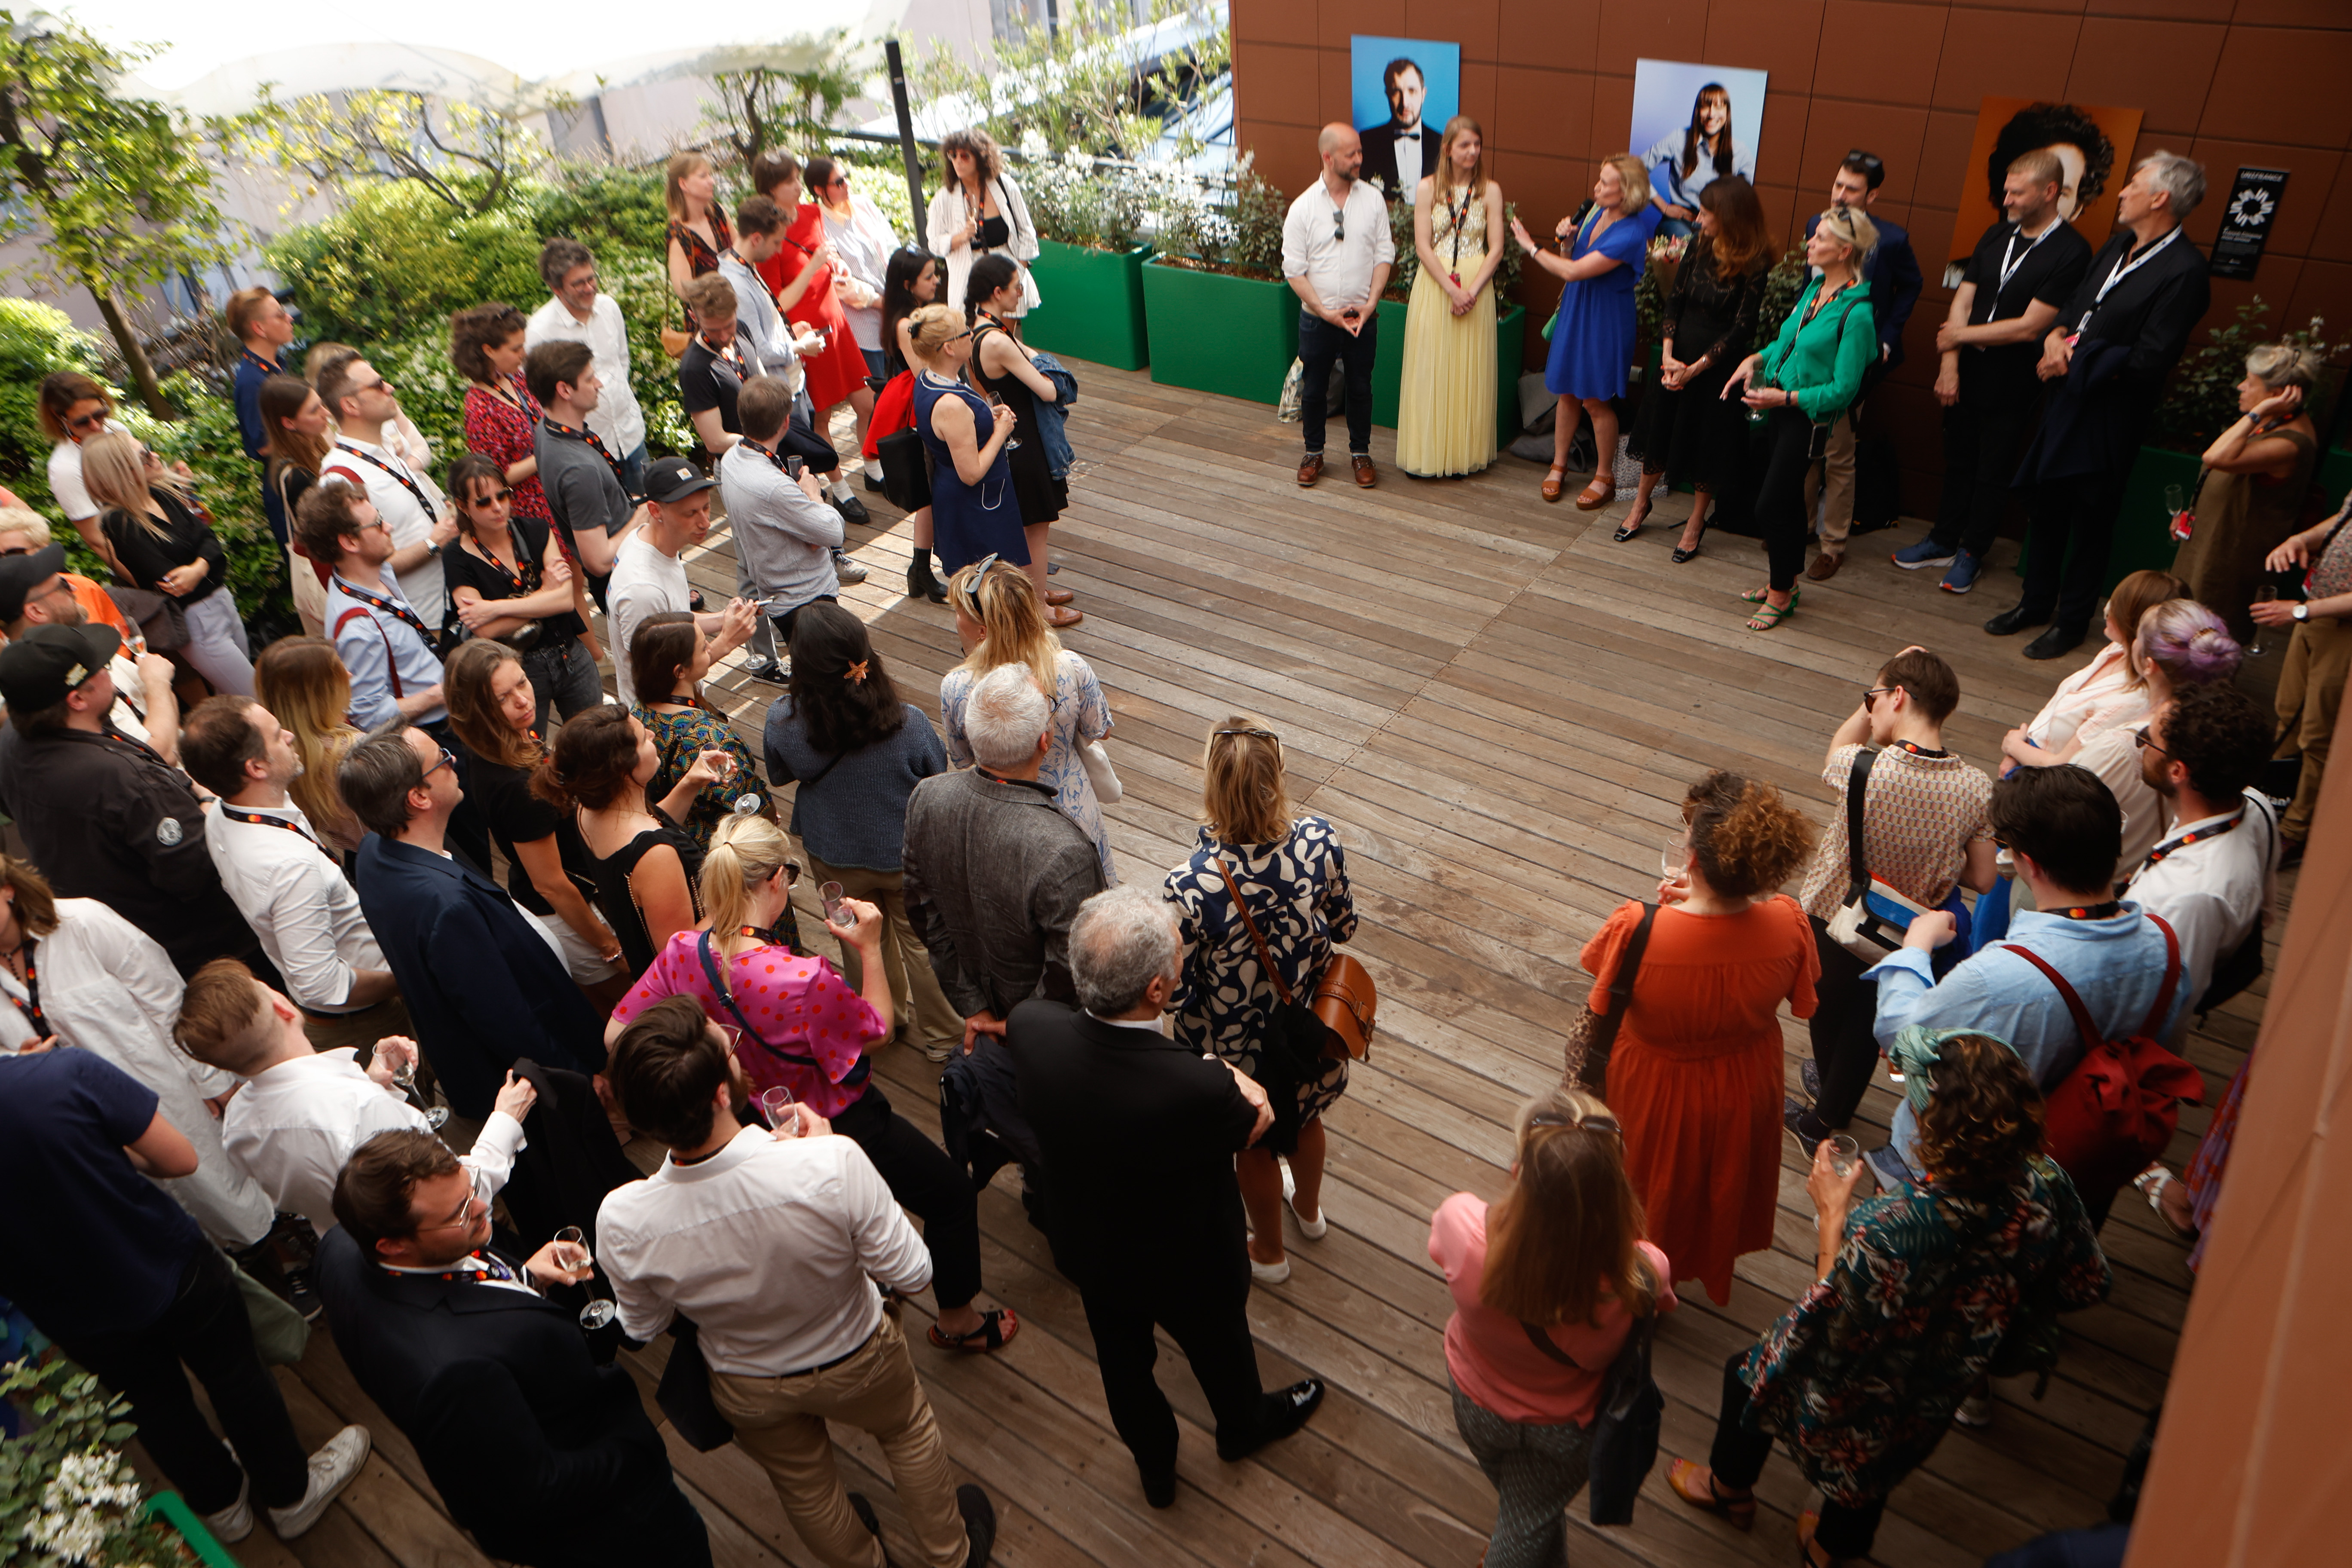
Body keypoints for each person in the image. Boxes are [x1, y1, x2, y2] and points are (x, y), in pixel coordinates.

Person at [1669, 1035, 2108, 1566]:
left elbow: (1832, 1321)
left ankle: (1728, 1490)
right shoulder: (2047, 1182)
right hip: (1943, 1376)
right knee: (1877, 1463)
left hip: (1856, 1377)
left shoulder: (1894, 1226)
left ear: (1933, 1126)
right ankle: (1827, 1552)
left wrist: (1833, 1215)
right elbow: (2084, 1282)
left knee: (1746, 1380)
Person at [597, 997, 1000, 1568]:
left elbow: (643, 1325)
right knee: (908, 1434)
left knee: (807, 1487)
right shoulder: (830, 1162)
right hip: (858, 1354)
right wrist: (828, 1155)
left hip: (746, 1379)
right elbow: (914, 1272)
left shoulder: (620, 1218)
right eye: (730, 1047)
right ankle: (951, 1557)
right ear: (720, 1095)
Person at [605, 813, 1013, 1356]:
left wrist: (709, 1052)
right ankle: (957, 1320)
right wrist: (871, 947)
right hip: (841, 1120)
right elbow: (878, 1032)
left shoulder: (683, 950)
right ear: (776, 879)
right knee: (951, 1196)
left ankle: (874, 1274)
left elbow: (616, 1033)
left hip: (750, 1121)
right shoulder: (802, 978)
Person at [1007, 885, 1318, 1506]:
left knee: (1123, 1367)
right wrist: (1222, 1068)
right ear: (1157, 991)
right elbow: (1257, 1118)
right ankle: (1243, 1425)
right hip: (1189, 1261)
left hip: (1092, 1248)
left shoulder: (1030, 1027)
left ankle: (1156, 1469)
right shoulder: (1196, 1087)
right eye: (1178, 953)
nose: (1183, 957)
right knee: (1222, 1350)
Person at [0, 1046, 370, 1545]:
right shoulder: (63, 1073)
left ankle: (222, 1506)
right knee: (236, 1376)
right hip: (166, 1265)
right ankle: (291, 1496)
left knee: (150, 1405)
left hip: (73, 1313)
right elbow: (178, 1158)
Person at [315, 1129, 712, 1568]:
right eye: (460, 1212)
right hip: (604, 1510)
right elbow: (535, 1490)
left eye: (470, 1188)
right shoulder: (455, 1376)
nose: (482, 1207)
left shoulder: (339, 1247)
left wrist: (523, 1280)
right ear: (394, 1245)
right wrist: (634, 1453)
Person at [1866, 765, 2190, 1201]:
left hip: (1973, 1175)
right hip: (2081, 1167)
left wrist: (1915, 948)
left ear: (2028, 863)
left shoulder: (1998, 976)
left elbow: (1900, 1034)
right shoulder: (2167, 948)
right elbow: (2162, 1047)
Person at [1585, 772, 1816, 1304]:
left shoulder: (1638, 928)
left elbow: (1599, 985)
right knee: (1721, 1183)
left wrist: (1681, 912)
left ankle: (1639, 1287)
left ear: (1692, 859)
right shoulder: (1789, 923)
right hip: (1745, 1083)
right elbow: (1799, 995)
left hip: (1656, 1086)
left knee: (1649, 1188)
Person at [1430, 1090, 1678, 1566]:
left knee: (1527, 1516)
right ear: (1616, 1192)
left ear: (1518, 1174)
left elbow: (1441, 1243)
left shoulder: (1463, 1226)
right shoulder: (1642, 1272)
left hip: (1476, 1403)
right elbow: (1657, 1305)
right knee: (1527, 1519)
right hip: (1565, 1429)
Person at [0, 853, 276, 1258]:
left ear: (8, 889)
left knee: (223, 1189)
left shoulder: (83, 923)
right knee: (156, 1220)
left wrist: (210, 1078)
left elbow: (167, 999)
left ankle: (278, 1255)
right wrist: (15, 1060)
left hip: (161, 1091)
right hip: (79, 1124)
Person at [1994, 152, 2213, 661]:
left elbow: (2151, 359)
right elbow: (2076, 309)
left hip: (2109, 418)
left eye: (2133, 184)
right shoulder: (2117, 245)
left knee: (2091, 522)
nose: (2121, 192)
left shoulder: (2185, 271)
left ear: (2160, 198)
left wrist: (2072, 360)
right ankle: (2034, 603)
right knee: (2047, 509)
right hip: (2064, 402)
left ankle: (2072, 622)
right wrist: (2054, 338)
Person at [1163, 715, 1357, 1285]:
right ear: (1278, 777)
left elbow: (1177, 989)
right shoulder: (1320, 840)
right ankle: (1310, 1213)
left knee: (1254, 1143)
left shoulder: (1191, 883)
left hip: (1234, 1044)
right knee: (1307, 1117)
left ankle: (1270, 1253)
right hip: (1306, 1027)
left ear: (1211, 784)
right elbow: (1344, 927)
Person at [1785, 647, 1996, 1154]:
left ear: (1898, 696)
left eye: (1874, 698)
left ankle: (1823, 1115)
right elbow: (1984, 877)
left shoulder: (1862, 767)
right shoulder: (1975, 788)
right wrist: (1937, 855)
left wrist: (1868, 706)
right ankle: (1832, 1107)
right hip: (1908, 930)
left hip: (1835, 912)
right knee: (1866, 1024)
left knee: (1826, 1008)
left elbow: (1838, 747)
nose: (1871, 708)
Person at [342, 725, 605, 1119]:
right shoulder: (447, 907)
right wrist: (578, 1078)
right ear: (419, 797)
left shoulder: (374, 850)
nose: (454, 761)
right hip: (531, 1090)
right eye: (442, 760)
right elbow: (505, 1019)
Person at [174, 957, 530, 1244]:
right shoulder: (360, 1107)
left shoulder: (236, 1124)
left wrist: (373, 1080)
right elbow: (457, 1198)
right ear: (283, 1007)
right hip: (444, 1248)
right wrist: (506, 1119)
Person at [0, 622, 269, 980]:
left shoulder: (10, 743)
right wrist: (208, 803)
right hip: (212, 955)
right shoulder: (123, 779)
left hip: (125, 947)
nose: (110, 672)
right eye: (102, 669)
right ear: (77, 700)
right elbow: (198, 870)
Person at [765, 602, 960, 1060]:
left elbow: (779, 774)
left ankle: (881, 1023)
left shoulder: (782, 720)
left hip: (833, 853)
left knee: (858, 945)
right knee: (923, 945)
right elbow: (937, 775)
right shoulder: (909, 723)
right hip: (906, 856)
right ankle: (946, 1038)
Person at [1898, 150, 2094, 595]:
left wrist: (1958, 337)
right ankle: (1943, 540)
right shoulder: (1995, 234)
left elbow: (2031, 326)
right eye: (2006, 190)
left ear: (2049, 192)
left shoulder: (2072, 251)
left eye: (2017, 192)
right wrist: (1950, 364)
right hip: (1966, 369)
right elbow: (1963, 301)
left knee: (1993, 469)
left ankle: (1972, 552)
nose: (2006, 200)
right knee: (1958, 460)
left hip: (2015, 379)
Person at [181, 696, 407, 1056]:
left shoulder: (223, 814)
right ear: (256, 767)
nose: (289, 735)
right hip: (367, 1020)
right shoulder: (290, 868)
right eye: (276, 735)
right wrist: (405, 980)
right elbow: (323, 985)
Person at [904, 663, 1107, 1051]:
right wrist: (1016, 1026)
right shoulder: (1065, 851)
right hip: (1052, 1035)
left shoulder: (927, 798)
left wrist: (973, 1007)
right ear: (1045, 741)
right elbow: (1076, 964)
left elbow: (922, 910)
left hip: (987, 1017)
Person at [1720, 206, 1877, 630]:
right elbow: (1786, 344)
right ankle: (1785, 582)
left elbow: (1844, 390)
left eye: (1821, 238)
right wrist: (1755, 358)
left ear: (1844, 251)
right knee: (1788, 503)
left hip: (1806, 418)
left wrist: (1785, 397)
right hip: (1779, 409)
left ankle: (1780, 595)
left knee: (1770, 506)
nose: (1810, 242)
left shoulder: (1858, 314)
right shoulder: (1815, 289)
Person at [441, 638, 628, 992]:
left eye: (522, 682)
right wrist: (610, 948)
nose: (523, 701)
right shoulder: (517, 787)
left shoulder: (503, 741)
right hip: (575, 916)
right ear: (476, 710)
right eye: (502, 698)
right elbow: (551, 884)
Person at [941, 558, 1115, 883]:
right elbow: (1099, 730)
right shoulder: (1071, 666)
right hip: (1073, 806)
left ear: (982, 630)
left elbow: (963, 758)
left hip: (999, 817)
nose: (955, 618)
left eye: (959, 611)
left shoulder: (956, 687)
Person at [1626, 175, 1772, 558]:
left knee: (1708, 446)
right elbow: (1674, 300)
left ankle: (1695, 522)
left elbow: (1743, 328)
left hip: (1717, 369)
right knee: (1658, 431)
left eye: (1707, 213)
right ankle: (1640, 504)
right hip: (1676, 359)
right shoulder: (1698, 244)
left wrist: (1697, 368)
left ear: (1730, 216)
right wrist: (1667, 355)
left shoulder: (1756, 262)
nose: (1699, 219)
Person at [1795, 151, 1924, 582]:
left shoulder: (1891, 239)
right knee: (1802, 448)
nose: (1841, 195)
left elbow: (1912, 285)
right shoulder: (1817, 224)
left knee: (1837, 453)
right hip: (1811, 354)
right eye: (1838, 185)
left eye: (1852, 189)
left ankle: (1832, 546)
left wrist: (1886, 338)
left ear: (1873, 195)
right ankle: (1801, 529)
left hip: (1855, 358)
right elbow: (1810, 284)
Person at [1510, 155, 1661, 509]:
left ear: (1627, 192)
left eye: (1606, 183)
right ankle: (1559, 464)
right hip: (1576, 310)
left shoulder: (1631, 233)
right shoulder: (1596, 212)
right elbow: (1572, 260)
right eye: (1599, 179)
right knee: (1566, 391)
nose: (1597, 187)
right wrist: (1567, 242)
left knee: (1595, 400)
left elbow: (1573, 272)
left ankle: (1604, 477)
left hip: (1605, 321)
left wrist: (1531, 246)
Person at [2126, 683, 2281, 1010]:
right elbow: (2266, 912)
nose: (2141, 745)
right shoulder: (2257, 805)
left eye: (2147, 739)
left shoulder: (2191, 896)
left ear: (2177, 771)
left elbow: (2172, 1000)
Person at [536, 703, 714, 981]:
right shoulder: (656, 857)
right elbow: (680, 957)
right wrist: (736, 897)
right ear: (623, 769)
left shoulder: (589, 810)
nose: (652, 734)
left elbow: (648, 825)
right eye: (643, 738)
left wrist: (689, 784)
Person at [2067, 599, 2244, 878]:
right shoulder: (2224, 733)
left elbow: (2055, 818)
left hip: (2092, 883)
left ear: (2149, 665)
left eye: (2138, 635)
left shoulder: (2121, 747)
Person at [81, 430, 254, 695]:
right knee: (254, 697)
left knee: (240, 697)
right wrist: (205, 561)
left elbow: (209, 538)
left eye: (148, 448)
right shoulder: (119, 522)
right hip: (197, 622)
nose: (155, 456)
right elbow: (173, 580)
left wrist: (199, 567)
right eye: (144, 456)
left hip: (223, 601)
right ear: (122, 472)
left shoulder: (162, 494)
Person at [2173, 343, 2321, 645]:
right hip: (2208, 539)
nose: (2241, 387)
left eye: (2250, 383)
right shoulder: (2270, 423)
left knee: (2207, 634)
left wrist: (2258, 411)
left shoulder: (2290, 442)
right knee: (2181, 623)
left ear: (2276, 395)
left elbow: (2215, 457)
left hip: (2228, 556)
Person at [441, 451, 601, 729]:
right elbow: (485, 629)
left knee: (599, 737)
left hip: (570, 653)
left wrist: (495, 608)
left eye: (503, 496)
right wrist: (545, 593)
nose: (498, 507)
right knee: (529, 748)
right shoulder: (456, 555)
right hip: (517, 672)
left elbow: (565, 600)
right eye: (484, 501)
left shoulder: (536, 529)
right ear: (463, 506)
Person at [315, 351, 458, 638]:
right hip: (426, 623)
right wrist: (434, 542)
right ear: (351, 405)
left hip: (453, 603)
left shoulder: (384, 449)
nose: (390, 388)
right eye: (378, 385)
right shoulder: (340, 476)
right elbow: (359, 571)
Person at [1284, 124, 1396, 490]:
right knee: (1314, 389)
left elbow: (1384, 255)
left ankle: (1361, 453)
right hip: (1318, 320)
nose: (1360, 159)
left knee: (1361, 387)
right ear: (1328, 158)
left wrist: (1371, 304)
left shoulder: (1374, 200)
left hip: (1362, 318)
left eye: (1360, 151)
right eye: (1352, 154)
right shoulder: (1303, 208)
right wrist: (1323, 310)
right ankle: (1313, 453)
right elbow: (1294, 270)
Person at [906, 304, 1042, 603]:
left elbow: (954, 431)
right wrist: (1001, 431)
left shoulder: (928, 378)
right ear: (949, 348)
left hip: (969, 498)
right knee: (988, 593)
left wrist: (986, 417)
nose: (972, 335)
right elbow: (971, 473)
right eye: (965, 333)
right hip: (977, 506)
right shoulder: (950, 405)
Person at [1996, 569, 2189, 777]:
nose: (2107, 609)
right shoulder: (2117, 650)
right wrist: (2019, 752)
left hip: (2047, 780)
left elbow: (2066, 765)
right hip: (2030, 754)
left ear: (2134, 623)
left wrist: (2014, 747)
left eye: (2117, 606)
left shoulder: (2130, 702)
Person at [1396, 116, 1504, 480]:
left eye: (1477, 144)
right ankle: (1428, 453)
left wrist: (1470, 292)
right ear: (1447, 150)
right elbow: (1422, 246)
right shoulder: (1427, 188)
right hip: (1436, 284)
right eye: (1465, 145)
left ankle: (1462, 456)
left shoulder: (1490, 191)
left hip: (1476, 286)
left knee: (1469, 369)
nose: (1473, 151)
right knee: (1431, 365)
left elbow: (1496, 248)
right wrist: (1452, 290)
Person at [718, 371, 847, 676]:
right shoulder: (774, 487)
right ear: (786, 422)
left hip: (776, 590)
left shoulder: (730, 459)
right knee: (833, 678)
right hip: (807, 600)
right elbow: (833, 532)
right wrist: (813, 496)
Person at [0, 538, 179, 758]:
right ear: (37, 612)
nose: (75, 588)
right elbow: (159, 755)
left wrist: (158, 690)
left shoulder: (80, 646)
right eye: (63, 586)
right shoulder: (56, 683)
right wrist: (159, 684)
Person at [748, 152, 876, 455]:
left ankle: (873, 469)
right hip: (808, 332)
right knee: (822, 416)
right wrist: (815, 265)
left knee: (867, 402)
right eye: (790, 182)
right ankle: (838, 481)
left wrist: (836, 266)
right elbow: (777, 301)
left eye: (797, 178)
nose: (798, 186)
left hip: (837, 322)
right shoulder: (767, 235)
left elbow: (826, 258)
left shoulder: (812, 213)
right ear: (771, 189)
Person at [605, 455, 756, 709]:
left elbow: (674, 620)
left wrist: (724, 619)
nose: (706, 522)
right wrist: (727, 641)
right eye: (691, 514)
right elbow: (662, 678)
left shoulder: (643, 538)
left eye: (706, 508)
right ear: (656, 511)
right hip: (661, 717)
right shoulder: (642, 591)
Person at [965, 253, 1073, 609]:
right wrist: (1053, 374)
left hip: (1013, 438)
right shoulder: (998, 341)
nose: (1021, 292)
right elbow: (1048, 390)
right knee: (1035, 531)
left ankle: (1038, 593)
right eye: (1016, 287)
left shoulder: (978, 330)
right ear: (997, 292)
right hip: (1027, 443)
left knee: (1029, 528)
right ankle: (1039, 610)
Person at [299, 480, 447, 731]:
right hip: (432, 730)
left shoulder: (377, 574)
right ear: (350, 542)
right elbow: (369, 715)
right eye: (377, 523)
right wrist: (438, 694)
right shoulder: (359, 627)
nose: (388, 527)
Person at [2256, 490, 2352, 865]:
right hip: (2314, 614)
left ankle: (2294, 831)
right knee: (2288, 713)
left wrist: (2299, 611)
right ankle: (2270, 806)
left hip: (2340, 628)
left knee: (2317, 734)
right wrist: (2302, 539)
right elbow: (2343, 517)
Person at [629, 612, 769, 851]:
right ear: (679, 672)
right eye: (704, 647)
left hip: (670, 835)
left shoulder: (636, 714)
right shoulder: (711, 739)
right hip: (717, 850)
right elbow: (752, 803)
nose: (710, 647)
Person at [525, 237, 650, 497]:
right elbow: (544, 400)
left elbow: (622, 361)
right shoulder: (539, 332)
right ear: (556, 288)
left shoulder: (609, 308)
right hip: (588, 450)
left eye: (591, 279)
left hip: (630, 435)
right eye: (578, 283)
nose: (589, 288)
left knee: (650, 511)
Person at [527, 337, 646, 612]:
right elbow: (599, 561)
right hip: (626, 581)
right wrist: (642, 517)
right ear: (564, 390)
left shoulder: (546, 427)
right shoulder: (579, 470)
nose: (599, 384)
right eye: (590, 378)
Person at [877, 246, 949, 601]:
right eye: (929, 277)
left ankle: (920, 569)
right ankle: (921, 568)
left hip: (924, 402)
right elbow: (924, 372)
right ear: (908, 284)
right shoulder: (907, 324)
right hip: (922, 407)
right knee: (930, 491)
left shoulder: (909, 315)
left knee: (930, 494)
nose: (937, 281)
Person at [253, 635, 366, 854]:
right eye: (339, 671)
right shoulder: (354, 750)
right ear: (318, 691)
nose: (349, 674)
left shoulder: (272, 754)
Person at [452, 303, 554, 536]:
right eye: (516, 349)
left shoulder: (516, 378)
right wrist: (548, 452)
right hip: (532, 509)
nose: (523, 354)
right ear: (489, 350)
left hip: (555, 489)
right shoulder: (479, 408)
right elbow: (496, 476)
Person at [926, 127, 1038, 320]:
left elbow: (1027, 232)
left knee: (1005, 335)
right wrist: (961, 237)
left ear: (981, 157)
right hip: (969, 281)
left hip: (1006, 275)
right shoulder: (944, 198)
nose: (958, 161)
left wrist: (1018, 272)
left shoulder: (1004, 186)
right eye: (953, 155)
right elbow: (935, 244)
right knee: (975, 334)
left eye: (965, 156)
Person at [257, 374, 336, 635]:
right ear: (289, 423)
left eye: (322, 404)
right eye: (314, 410)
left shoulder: (316, 447)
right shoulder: (297, 476)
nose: (326, 413)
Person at [814, 156, 900, 387]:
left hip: (896, 313)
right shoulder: (820, 225)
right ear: (819, 190)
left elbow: (892, 246)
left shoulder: (864, 205)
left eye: (847, 177)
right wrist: (881, 302)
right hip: (864, 325)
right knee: (880, 394)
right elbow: (841, 284)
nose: (847, 184)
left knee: (911, 386)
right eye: (839, 182)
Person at [37, 370, 136, 564]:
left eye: (100, 414)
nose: (97, 427)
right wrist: (143, 576)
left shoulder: (116, 429)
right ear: (60, 419)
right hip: (134, 554)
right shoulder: (65, 468)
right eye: (82, 422)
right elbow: (97, 541)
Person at [227, 286, 300, 549]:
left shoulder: (278, 364)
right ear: (259, 328)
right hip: (288, 486)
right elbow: (263, 445)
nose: (290, 318)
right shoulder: (251, 382)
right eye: (280, 315)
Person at [1640, 83, 1755, 233]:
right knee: (1691, 244)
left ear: (1727, 113)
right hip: (1680, 223)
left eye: (1718, 107)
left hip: (1718, 226)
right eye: (1705, 107)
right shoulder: (1678, 139)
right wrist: (1664, 207)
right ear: (1697, 111)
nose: (1711, 115)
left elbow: (1746, 197)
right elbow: (1635, 169)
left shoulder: (1741, 152)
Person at [1358, 56, 1438, 201]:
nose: (1405, 103)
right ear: (1388, 95)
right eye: (1396, 92)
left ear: (1423, 94)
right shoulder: (1367, 142)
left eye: (1412, 91)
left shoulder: (1442, 143)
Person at [663, 148, 732, 297]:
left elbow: (742, 254)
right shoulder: (679, 234)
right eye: (703, 176)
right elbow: (685, 292)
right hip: (711, 311)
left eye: (710, 175)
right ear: (683, 184)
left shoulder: (718, 213)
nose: (712, 181)